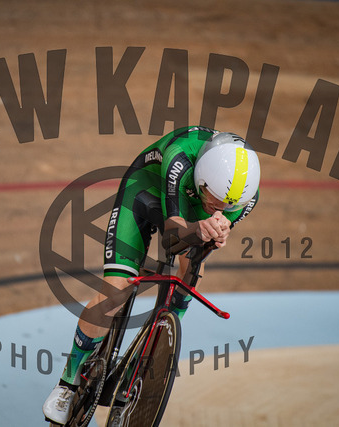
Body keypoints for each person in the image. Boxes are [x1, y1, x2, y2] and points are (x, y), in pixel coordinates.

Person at [42, 126, 260, 425]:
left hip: (190, 209)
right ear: (202, 178)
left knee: (192, 273)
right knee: (115, 291)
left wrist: (216, 235)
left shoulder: (246, 196)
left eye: (229, 205)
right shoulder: (180, 157)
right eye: (216, 199)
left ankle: (157, 340)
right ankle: (67, 383)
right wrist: (200, 229)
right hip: (144, 192)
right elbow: (172, 236)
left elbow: (200, 244)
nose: (221, 207)